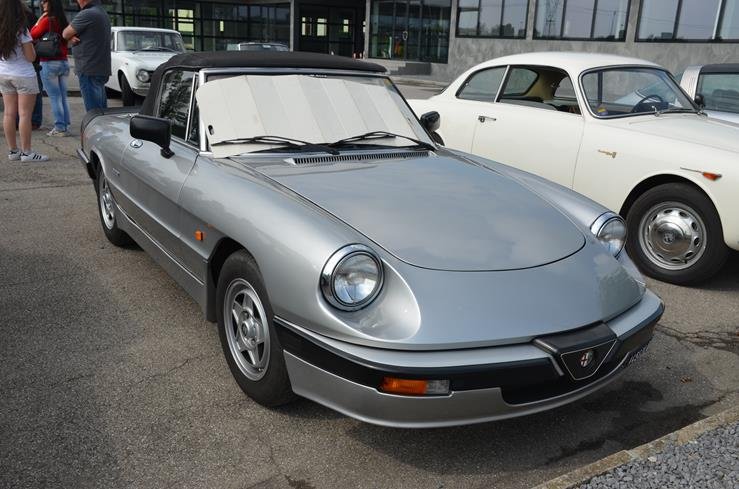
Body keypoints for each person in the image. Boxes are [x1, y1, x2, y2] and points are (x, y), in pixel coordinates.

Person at [0, 0, 49, 161]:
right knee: (25, 115)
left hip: (4, 74)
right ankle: (27, 152)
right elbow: (30, 57)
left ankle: (13, 151)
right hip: (23, 76)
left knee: (8, 113)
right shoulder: (21, 30)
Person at [31, 0, 71, 136]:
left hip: (49, 62)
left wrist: (39, 20)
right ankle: (65, 125)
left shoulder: (46, 20)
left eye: (45, 1)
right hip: (64, 62)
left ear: (51, 4)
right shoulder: (63, 21)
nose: (42, 4)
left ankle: (59, 128)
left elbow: (32, 34)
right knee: (63, 97)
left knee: (55, 97)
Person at [62, 0, 110, 111]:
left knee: (93, 112)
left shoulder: (87, 13)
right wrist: (72, 36)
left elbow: (65, 33)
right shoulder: (101, 12)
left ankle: (96, 123)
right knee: (101, 111)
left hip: (89, 69)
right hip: (99, 68)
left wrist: (70, 36)